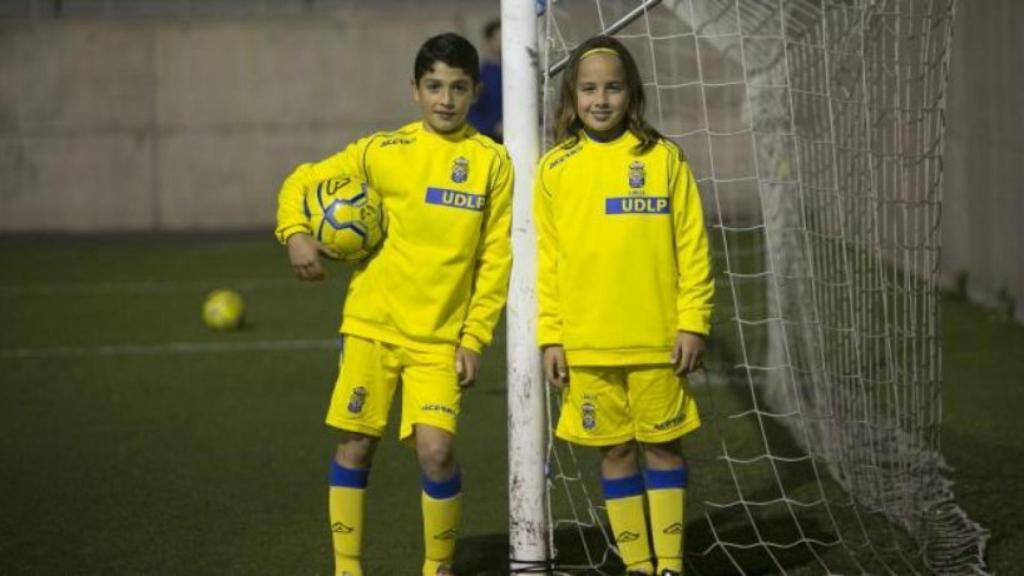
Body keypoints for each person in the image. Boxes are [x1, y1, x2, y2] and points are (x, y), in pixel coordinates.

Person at [275, 32, 513, 576]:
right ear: (415, 90)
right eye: (434, 86)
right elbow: (302, 179)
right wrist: (295, 233)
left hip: (439, 340)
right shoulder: (382, 152)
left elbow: (495, 261)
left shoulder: (491, 164)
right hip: (372, 326)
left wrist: (474, 338)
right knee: (356, 443)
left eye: (457, 88)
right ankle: (347, 567)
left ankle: (437, 566)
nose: (445, 99)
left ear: (476, 91)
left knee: (436, 452)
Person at [534, 35, 714, 576]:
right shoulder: (555, 167)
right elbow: (548, 261)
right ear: (572, 98)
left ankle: (670, 565)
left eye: (613, 87)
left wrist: (694, 323)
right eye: (589, 89)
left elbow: (693, 247)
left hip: (658, 341)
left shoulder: (663, 159)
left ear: (631, 92)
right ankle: (638, 564)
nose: (601, 99)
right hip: (588, 346)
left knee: (663, 449)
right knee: (613, 453)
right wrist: (551, 335)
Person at [467, 18, 502, 142]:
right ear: (488, 41)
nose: (503, 42)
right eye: (498, 38)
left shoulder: (515, 77)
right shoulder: (480, 77)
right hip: (488, 141)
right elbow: (469, 114)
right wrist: (493, 127)